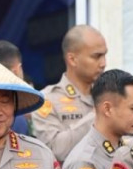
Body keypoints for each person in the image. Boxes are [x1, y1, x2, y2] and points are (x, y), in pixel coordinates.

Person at [32, 25, 108, 161]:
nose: (103, 63)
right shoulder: (47, 99)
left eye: (104, 55)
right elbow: (55, 150)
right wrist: (100, 114)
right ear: (72, 59)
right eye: (96, 56)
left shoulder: (108, 95)